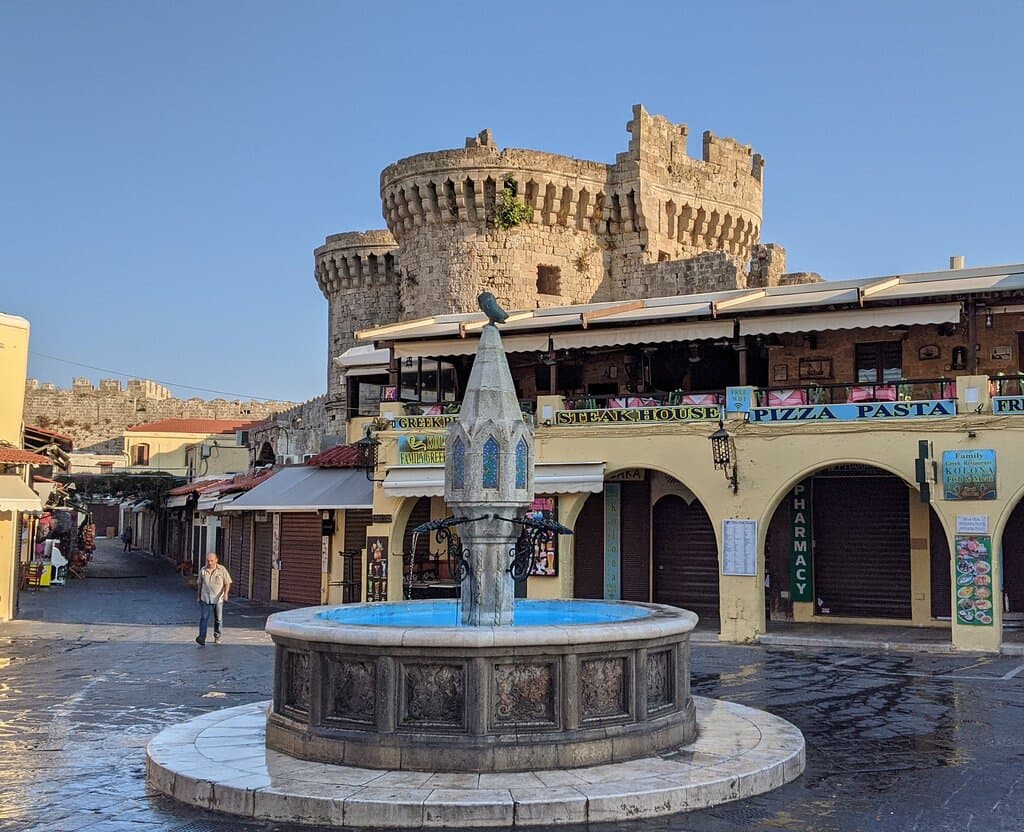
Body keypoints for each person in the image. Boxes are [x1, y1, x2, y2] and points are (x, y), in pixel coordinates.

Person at [196, 552, 232, 646]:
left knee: (218, 619)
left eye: (212, 561)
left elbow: (227, 582)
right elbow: (199, 584)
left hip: (218, 598)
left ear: (216, 560)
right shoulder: (203, 570)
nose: (210, 563)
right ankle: (201, 638)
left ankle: (217, 635)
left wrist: (226, 594)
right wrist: (198, 596)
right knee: (204, 618)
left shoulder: (222, 570)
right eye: (208, 561)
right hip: (205, 598)